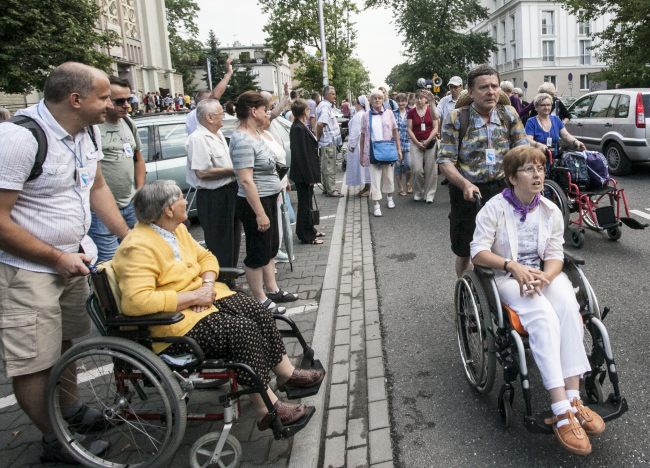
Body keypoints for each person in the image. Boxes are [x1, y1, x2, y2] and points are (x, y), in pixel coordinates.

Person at [112, 180, 324, 432]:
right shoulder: (137, 246)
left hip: (202, 300)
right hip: (174, 324)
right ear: (168, 209)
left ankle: (286, 373)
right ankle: (266, 408)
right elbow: (136, 301)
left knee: (256, 310)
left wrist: (207, 284)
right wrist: (194, 298)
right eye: (181, 198)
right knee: (241, 331)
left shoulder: (174, 229)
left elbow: (206, 257)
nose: (185, 201)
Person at [0, 62, 131, 463]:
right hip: (30, 271)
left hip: (73, 262)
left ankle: (69, 410)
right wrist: (55, 257)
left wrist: (130, 240)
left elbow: (97, 186)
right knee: (35, 362)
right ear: (76, 99)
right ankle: (55, 439)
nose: (112, 103)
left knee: (65, 343)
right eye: (105, 96)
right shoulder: (19, 139)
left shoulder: (84, 132)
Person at [471, 146, 605, 455]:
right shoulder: (494, 208)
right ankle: (560, 410)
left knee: (570, 309)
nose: (538, 175)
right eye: (530, 170)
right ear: (511, 177)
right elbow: (478, 251)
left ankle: (574, 400)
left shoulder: (550, 209)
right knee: (543, 316)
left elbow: (556, 256)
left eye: (541, 169)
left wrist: (545, 277)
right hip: (507, 276)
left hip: (543, 275)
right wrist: (512, 266)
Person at [437, 64, 529, 277]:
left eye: (494, 86)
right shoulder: (457, 118)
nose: (491, 91)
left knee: (504, 245)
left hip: (503, 191)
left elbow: (522, 151)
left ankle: (499, 293)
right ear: (470, 91)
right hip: (467, 193)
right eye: (484, 87)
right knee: (464, 251)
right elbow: (445, 161)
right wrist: (465, 184)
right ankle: (465, 291)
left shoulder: (509, 114)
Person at [229, 91, 299, 313]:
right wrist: (259, 213)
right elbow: (246, 180)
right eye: (264, 109)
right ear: (253, 111)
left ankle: (272, 289)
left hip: (269, 197)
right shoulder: (241, 139)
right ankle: (259, 299)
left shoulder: (256, 133)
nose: (267, 112)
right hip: (255, 202)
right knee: (257, 252)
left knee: (269, 248)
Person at [89, 75, 146, 262]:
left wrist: (139, 190)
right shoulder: (93, 128)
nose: (126, 105)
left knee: (137, 257)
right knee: (110, 264)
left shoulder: (129, 123)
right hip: (102, 211)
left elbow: (138, 159)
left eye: (129, 100)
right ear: (106, 100)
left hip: (130, 205)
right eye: (119, 101)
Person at [185, 99, 241, 274]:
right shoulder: (198, 138)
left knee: (233, 239)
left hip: (230, 191)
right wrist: (234, 171)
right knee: (219, 242)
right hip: (214, 196)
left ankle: (230, 279)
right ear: (209, 117)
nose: (224, 116)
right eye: (220, 113)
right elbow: (202, 172)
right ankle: (222, 281)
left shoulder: (217, 134)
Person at [360, 90, 403, 217]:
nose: (377, 100)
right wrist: (362, 154)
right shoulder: (365, 116)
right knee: (375, 179)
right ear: (371, 100)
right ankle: (376, 205)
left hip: (388, 149)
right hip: (372, 151)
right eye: (375, 98)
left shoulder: (389, 113)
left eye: (380, 98)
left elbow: (395, 132)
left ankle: (390, 198)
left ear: (383, 99)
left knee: (389, 176)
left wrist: (399, 149)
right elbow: (362, 135)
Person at [289, 98, 324, 245]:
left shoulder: (302, 125)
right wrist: (308, 176)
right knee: (304, 205)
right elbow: (301, 155)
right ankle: (305, 235)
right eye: (308, 109)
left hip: (306, 173)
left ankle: (311, 229)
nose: (310, 111)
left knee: (308, 202)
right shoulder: (297, 128)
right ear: (304, 111)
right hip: (303, 174)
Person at [524, 93, 586, 157]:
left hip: (554, 158)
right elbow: (528, 140)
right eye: (543, 105)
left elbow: (566, 135)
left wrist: (575, 141)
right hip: (537, 158)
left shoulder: (556, 119)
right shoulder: (531, 122)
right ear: (536, 107)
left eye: (548, 105)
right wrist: (538, 145)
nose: (546, 107)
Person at [186, 57, 234, 135]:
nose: (213, 104)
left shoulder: (209, 125)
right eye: (209, 101)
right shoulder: (197, 114)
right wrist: (228, 74)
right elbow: (214, 96)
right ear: (200, 102)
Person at [408, 89, 439, 203]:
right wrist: (417, 143)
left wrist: (427, 140)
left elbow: (436, 127)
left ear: (426, 99)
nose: (420, 100)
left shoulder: (431, 110)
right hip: (416, 143)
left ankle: (429, 194)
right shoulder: (411, 112)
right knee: (417, 169)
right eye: (417, 98)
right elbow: (409, 129)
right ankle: (418, 191)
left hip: (430, 142)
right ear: (414, 99)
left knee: (431, 169)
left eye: (422, 98)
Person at [315, 86, 343, 197]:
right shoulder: (325, 107)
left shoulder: (324, 106)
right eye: (332, 93)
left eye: (334, 93)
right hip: (327, 142)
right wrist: (318, 138)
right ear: (326, 95)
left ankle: (327, 188)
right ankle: (331, 190)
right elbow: (321, 124)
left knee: (326, 166)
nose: (334, 96)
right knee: (330, 167)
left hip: (325, 142)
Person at [346, 96, 371, 197]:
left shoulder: (359, 115)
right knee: (365, 168)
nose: (354, 105)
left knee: (363, 168)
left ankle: (368, 188)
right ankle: (366, 187)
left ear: (360, 104)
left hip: (358, 145)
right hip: (363, 144)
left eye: (355, 103)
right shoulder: (364, 114)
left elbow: (355, 132)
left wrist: (351, 146)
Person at [393, 93, 412, 196]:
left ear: (406, 102)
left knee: (409, 165)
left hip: (408, 142)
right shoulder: (393, 113)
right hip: (396, 144)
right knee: (398, 166)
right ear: (397, 102)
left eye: (403, 101)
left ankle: (408, 183)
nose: (401, 103)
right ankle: (400, 187)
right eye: (399, 101)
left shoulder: (410, 113)